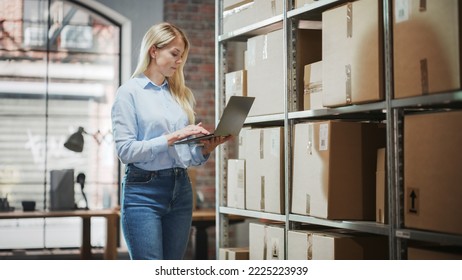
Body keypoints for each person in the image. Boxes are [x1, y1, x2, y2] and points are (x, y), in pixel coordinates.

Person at [111, 22, 230, 260]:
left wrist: (205, 149)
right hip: (144, 192)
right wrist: (171, 137)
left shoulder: (179, 95)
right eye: (174, 54)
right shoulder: (129, 93)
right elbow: (125, 151)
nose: (179, 62)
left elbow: (184, 155)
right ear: (154, 51)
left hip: (181, 188)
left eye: (182, 57)